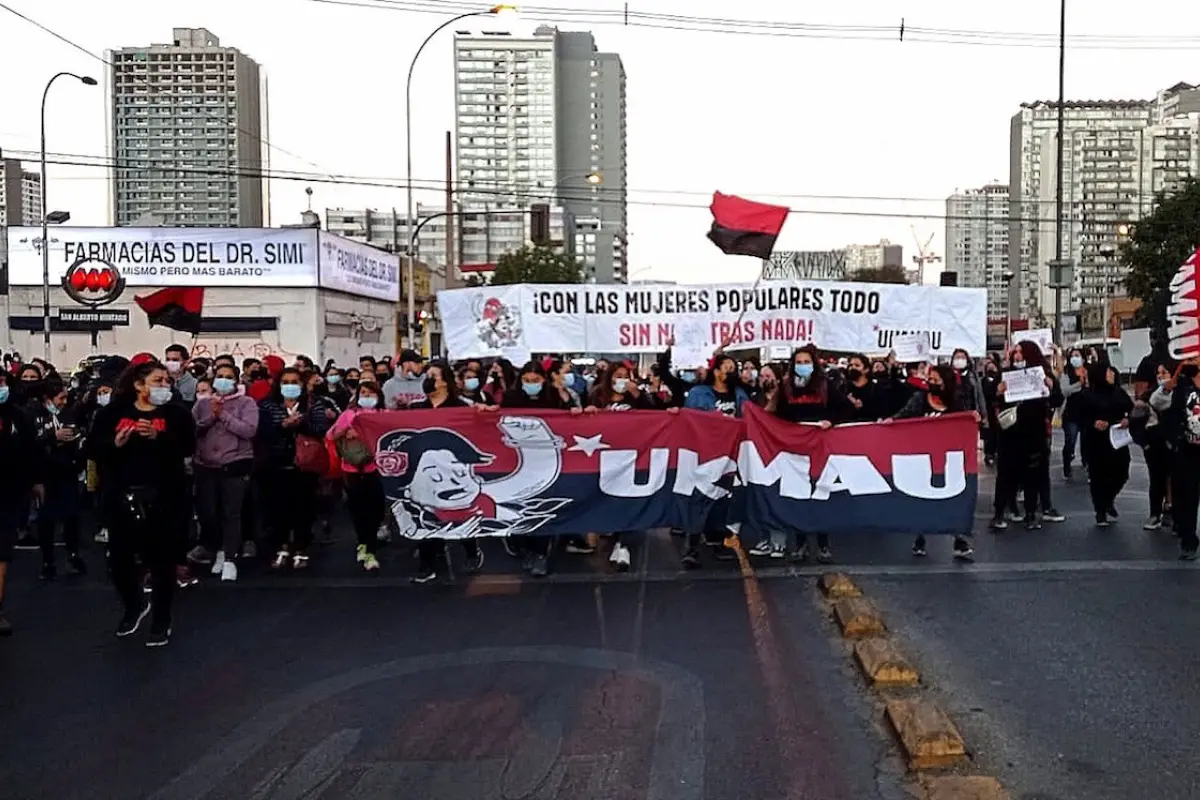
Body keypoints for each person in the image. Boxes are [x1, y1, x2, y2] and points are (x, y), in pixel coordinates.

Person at [90, 361, 195, 647]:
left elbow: (188, 447)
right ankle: (134, 604)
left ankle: (162, 619)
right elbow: (93, 449)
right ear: (139, 384)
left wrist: (160, 437)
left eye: (167, 382)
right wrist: (116, 444)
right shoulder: (112, 413)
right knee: (120, 561)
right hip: (122, 496)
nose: (164, 387)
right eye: (158, 381)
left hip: (164, 497)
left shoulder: (177, 414)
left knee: (162, 563)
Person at [762, 346, 849, 564]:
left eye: (806, 361)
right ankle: (800, 544)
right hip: (795, 450)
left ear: (814, 363)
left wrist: (831, 421)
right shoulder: (786, 387)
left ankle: (823, 545)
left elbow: (845, 408)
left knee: (820, 494)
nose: (802, 366)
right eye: (798, 362)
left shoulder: (824, 385)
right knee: (798, 496)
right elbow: (776, 415)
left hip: (820, 447)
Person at [407, 361, 486, 581]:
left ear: (445, 382)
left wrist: (479, 412)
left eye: (434, 375)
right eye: (427, 375)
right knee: (426, 515)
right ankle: (427, 563)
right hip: (427, 471)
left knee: (459, 514)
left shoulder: (461, 408)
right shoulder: (416, 409)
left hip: (454, 470)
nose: (429, 380)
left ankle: (471, 549)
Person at [889, 364, 975, 560]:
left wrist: (973, 419)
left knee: (953, 499)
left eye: (937, 380)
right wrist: (889, 423)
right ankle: (920, 537)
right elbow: (903, 416)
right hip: (922, 459)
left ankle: (959, 539)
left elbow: (965, 421)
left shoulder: (957, 400)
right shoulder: (920, 398)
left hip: (949, 460)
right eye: (930, 379)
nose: (932, 383)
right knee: (922, 499)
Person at [257, 367, 333, 570]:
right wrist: (283, 425)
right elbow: (261, 432)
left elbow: (321, 429)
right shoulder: (267, 405)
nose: (290, 386)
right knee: (277, 509)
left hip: (304, 465)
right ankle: (281, 546)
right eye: (286, 382)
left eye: (294, 382)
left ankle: (301, 546)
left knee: (304, 509)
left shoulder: (314, 404)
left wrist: (300, 424)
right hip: (275, 464)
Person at [587, 362, 661, 571]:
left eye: (625, 376)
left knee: (628, 498)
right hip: (604, 455)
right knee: (607, 498)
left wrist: (637, 394)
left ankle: (624, 545)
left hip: (632, 454)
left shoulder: (636, 396)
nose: (621, 380)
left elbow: (655, 416)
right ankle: (613, 535)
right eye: (617, 376)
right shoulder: (597, 395)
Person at [192, 363, 259, 582]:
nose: (223, 380)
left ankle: (230, 557)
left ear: (236, 380)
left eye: (228, 377)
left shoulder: (246, 403)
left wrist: (223, 415)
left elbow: (248, 430)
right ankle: (218, 549)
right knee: (209, 512)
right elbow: (195, 430)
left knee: (232, 512)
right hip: (206, 465)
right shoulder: (202, 405)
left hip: (234, 464)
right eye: (219, 376)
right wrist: (211, 415)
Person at [681, 354, 749, 566]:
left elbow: (751, 418)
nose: (731, 371)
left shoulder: (739, 394)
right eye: (727, 367)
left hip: (730, 455)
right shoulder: (698, 393)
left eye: (733, 367)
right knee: (700, 497)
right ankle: (692, 546)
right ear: (717, 371)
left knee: (724, 498)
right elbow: (688, 419)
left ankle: (718, 540)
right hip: (705, 454)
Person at [991, 341, 1064, 530]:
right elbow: (993, 398)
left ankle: (1031, 513)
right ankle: (999, 512)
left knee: (1033, 473)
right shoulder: (1005, 374)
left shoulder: (1041, 373)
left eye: (1021, 353)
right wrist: (998, 391)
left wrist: (1051, 386)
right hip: (1010, 432)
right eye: (1015, 352)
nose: (1017, 356)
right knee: (1006, 473)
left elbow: (1057, 399)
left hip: (1034, 432)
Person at [329, 381, 389, 573]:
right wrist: (345, 432)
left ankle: (368, 542)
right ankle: (366, 546)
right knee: (358, 509)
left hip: (377, 468)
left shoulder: (384, 415)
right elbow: (331, 435)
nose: (367, 397)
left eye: (371, 393)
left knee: (376, 508)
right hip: (352, 469)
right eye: (363, 393)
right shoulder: (349, 414)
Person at [0, 370, 43, 635]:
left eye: (1, 382)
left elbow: (31, 450)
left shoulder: (17, 416)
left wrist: (36, 481)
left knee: (1, 552)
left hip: (7, 493)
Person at [30, 377, 87, 580]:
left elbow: (79, 435)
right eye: (60, 398)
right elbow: (29, 445)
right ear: (47, 397)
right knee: (46, 519)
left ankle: (73, 554)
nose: (64, 401)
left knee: (72, 515)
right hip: (45, 476)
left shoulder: (69, 413)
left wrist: (76, 447)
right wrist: (52, 437)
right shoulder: (33, 415)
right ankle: (48, 561)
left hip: (68, 473)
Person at [1077, 361, 1133, 527]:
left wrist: (1127, 420)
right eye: (1108, 372)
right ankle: (1100, 510)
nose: (1112, 374)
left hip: (1117, 439)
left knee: (1122, 472)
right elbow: (1079, 417)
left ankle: (1108, 499)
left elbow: (1131, 409)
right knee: (1098, 476)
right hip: (1096, 440)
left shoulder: (1119, 392)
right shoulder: (1087, 395)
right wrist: (1093, 423)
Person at [1164, 363, 1200, 560]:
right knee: (1188, 495)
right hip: (1189, 450)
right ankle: (1188, 540)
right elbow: (1172, 414)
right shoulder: (1182, 387)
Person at [1138, 363, 1174, 530]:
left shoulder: (1181, 392)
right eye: (1158, 373)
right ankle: (1155, 514)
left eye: (1164, 372)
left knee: (1174, 478)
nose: (1160, 376)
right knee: (1156, 478)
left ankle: (1171, 511)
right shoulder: (1150, 394)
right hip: (1154, 442)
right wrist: (1145, 443)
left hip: (1174, 442)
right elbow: (1136, 421)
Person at [1059, 347, 1088, 480]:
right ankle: (1066, 465)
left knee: (1087, 442)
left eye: (1077, 355)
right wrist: (1079, 384)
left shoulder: (1087, 372)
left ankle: (1087, 463)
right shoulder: (1066, 373)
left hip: (1086, 413)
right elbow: (1065, 391)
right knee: (1070, 440)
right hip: (1071, 413)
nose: (1075, 358)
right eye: (1073, 356)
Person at [842, 352, 887, 421]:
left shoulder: (876, 387)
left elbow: (883, 411)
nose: (852, 368)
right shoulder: (843, 388)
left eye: (857, 365)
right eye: (851, 365)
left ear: (866, 370)